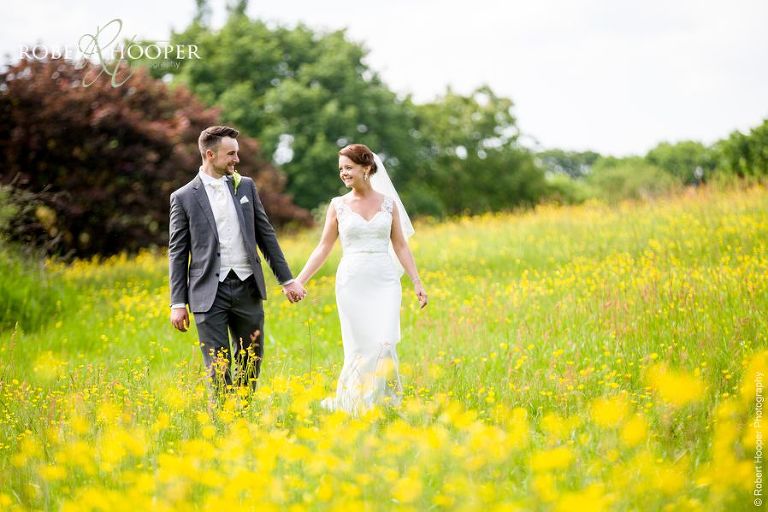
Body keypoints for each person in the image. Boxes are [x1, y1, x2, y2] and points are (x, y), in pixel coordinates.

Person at [168, 125, 306, 397]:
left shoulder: (246, 186)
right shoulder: (183, 197)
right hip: (208, 292)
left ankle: (243, 414)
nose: (236, 160)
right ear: (210, 154)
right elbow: (178, 252)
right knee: (218, 364)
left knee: (251, 357)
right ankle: (224, 420)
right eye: (231, 154)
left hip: (247, 287)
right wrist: (177, 303)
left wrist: (287, 280)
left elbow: (266, 235)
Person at [296, 143, 428, 413]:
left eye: (349, 168)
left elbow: (400, 245)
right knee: (359, 344)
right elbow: (324, 246)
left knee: (385, 340)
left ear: (367, 168)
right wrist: (300, 280)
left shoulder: (388, 204)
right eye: (341, 169)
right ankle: (357, 400)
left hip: (384, 279)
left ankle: (386, 400)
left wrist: (416, 282)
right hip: (352, 281)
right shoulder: (338, 205)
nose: (343, 173)